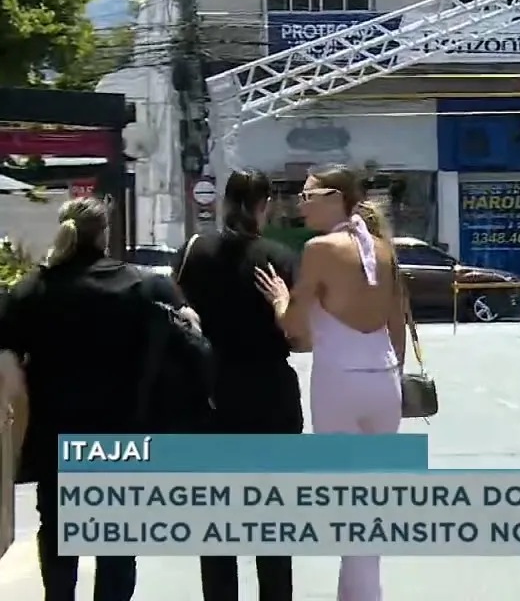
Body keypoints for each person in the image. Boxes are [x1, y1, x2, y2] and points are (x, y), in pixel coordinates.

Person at [0, 197, 195, 601]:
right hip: (123, 431)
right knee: (117, 543)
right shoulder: (143, 285)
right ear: (105, 234)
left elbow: (9, 369)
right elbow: (193, 333)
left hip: (56, 433)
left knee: (55, 530)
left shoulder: (33, 289)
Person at [253, 164, 405, 601]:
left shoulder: (320, 249)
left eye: (307, 196)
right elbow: (394, 324)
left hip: (339, 382)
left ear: (336, 198)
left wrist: (281, 298)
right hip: (384, 381)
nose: (300, 204)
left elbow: (292, 324)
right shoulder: (382, 248)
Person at [174, 170, 304, 601]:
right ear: (264, 205)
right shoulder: (278, 257)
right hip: (269, 394)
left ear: (226, 202)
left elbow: (177, 315)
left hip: (208, 395)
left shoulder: (194, 251)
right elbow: (298, 338)